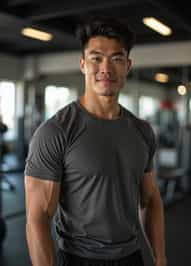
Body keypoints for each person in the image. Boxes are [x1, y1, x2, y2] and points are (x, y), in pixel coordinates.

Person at [24, 16, 167, 266]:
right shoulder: (56, 131)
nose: (106, 68)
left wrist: (160, 257)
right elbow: (37, 219)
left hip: (132, 258)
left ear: (128, 65)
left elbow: (150, 199)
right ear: (82, 64)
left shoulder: (142, 130)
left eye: (117, 59)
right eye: (96, 58)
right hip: (79, 259)